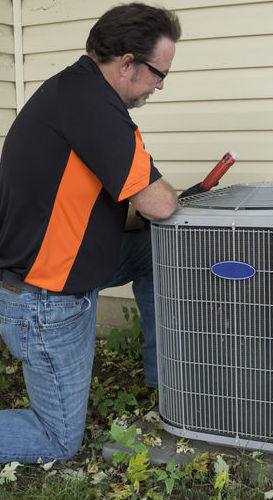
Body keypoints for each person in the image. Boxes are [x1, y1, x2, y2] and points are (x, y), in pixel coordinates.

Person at [0, 3, 181, 463]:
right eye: (159, 73)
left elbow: (99, 203)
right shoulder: (91, 106)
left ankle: (168, 379)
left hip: (61, 263)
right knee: (58, 440)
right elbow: (160, 204)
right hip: (45, 296)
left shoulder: (76, 90)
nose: (160, 84)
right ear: (127, 63)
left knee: (152, 253)